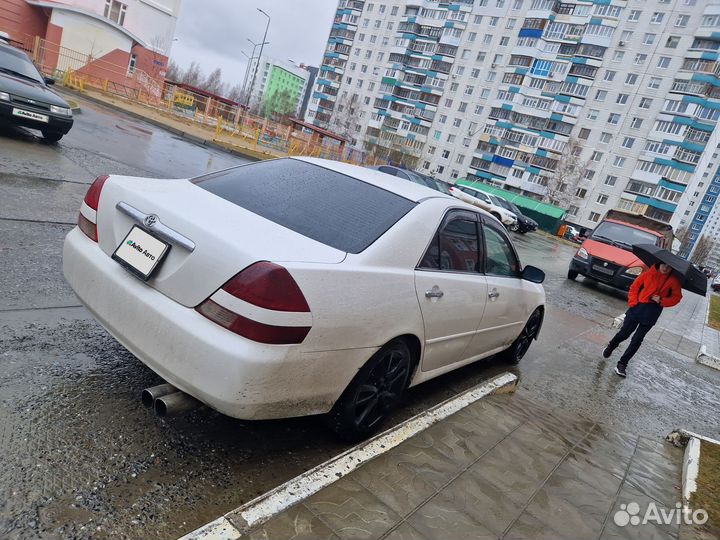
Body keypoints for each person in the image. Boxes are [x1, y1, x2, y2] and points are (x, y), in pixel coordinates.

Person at [603, 263, 682, 377]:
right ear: (659, 264)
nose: (665, 268)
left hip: (653, 312)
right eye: (664, 265)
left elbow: (676, 297)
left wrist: (661, 300)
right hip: (638, 307)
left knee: (637, 340)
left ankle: (622, 364)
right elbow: (634, 288)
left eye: (669, 267)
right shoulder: (647, 274)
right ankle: (611, 346)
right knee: (624, 334)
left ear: (672, 268)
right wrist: (633, 303)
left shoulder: (673, 281)